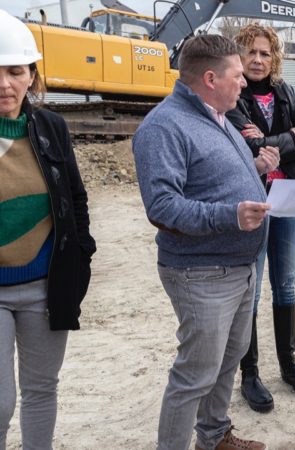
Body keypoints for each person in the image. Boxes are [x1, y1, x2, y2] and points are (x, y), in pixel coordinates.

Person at [132, 34, 279, 450]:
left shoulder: (216, 113)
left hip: (238, 267)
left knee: (228, 359)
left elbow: (209, 176)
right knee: (194, 375)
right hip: (200, 272)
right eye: (237, 75)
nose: (245, 84)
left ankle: (214, 437)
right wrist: (230, 215)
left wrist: (255, 166)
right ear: (211, 78)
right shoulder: (164, 126)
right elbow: (162, 207)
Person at [0, 10, 96, 449]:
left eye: (14, 71)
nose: (4, 84)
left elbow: (74, 197)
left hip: (44, 284)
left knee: (41, 389)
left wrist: (81, 255)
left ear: (31, 76)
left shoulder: (51, 128)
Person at [225, 23, 295, 414]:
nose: (258, 59)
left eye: (265, 53)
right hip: (253, 203)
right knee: (253, 289)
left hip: (288, 200)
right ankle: (250, 373)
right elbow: (245, 146)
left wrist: (283, 139)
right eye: (250, 52)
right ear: (237, 57)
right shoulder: (232, 96)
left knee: (287, 285)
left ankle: (288, 364)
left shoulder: (284, 92)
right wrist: (288, 136)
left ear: (274, 57)